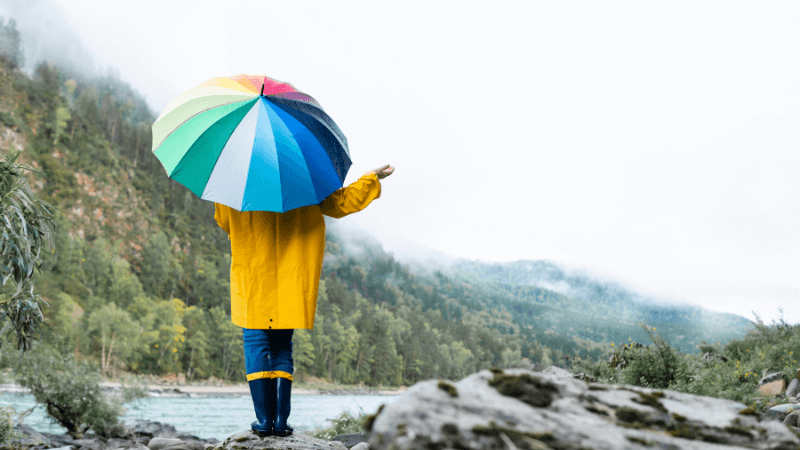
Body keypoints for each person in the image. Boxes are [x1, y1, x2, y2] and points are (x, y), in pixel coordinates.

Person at [213, 164, 395, 437]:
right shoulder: (304, 173)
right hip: (291, 276)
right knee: (282, 348)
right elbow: (341, 203)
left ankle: (264, 422)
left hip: (253, 276)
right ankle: (281, 422)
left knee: (256, 344)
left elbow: (224, 221)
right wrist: (372, 178)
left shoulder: (233, 180)